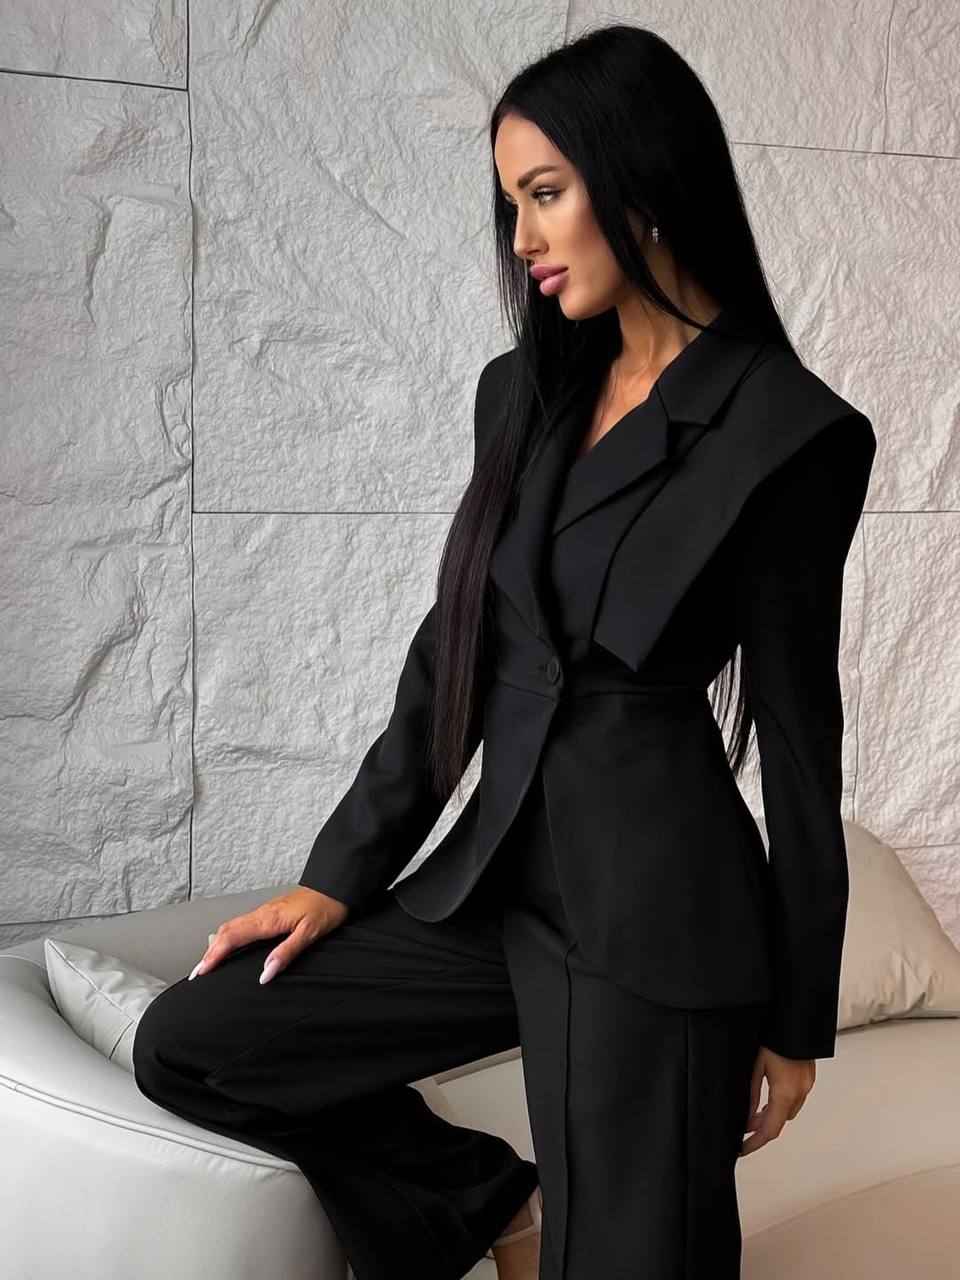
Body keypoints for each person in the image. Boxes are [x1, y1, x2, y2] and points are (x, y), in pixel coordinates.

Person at [132, 22, 877, 1280]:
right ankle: (485, 1194)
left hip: (657, 917)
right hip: (492, 881)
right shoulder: (520, 392)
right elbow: (454, 651)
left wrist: (800, 1020)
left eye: (545, 196)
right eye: (511, 203)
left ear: (638, 183)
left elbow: (805, 744)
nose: (521, 240)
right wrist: (339, 873)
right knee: (198, 1040)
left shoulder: (792, 433)